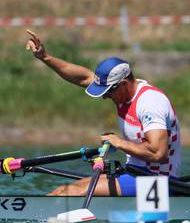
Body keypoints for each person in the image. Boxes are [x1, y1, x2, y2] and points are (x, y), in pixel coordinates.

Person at [25, 30, 181, 196]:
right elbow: (83, 78)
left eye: (107, 91)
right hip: (134, 173)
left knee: (70, 192)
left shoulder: (150, 102)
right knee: (63, 190)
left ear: (123, 84)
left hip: (156, 180)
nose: (105, 97)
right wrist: (45, 57)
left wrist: (119, 142)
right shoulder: (123, 93)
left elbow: (158, 153)